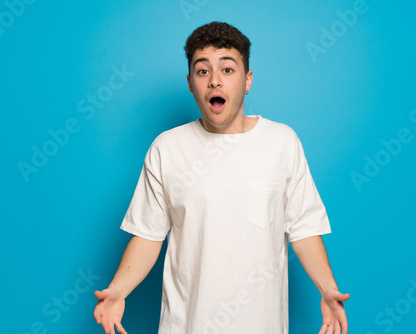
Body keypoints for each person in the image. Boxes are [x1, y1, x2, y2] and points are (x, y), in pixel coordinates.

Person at [93, 21, 349, 334]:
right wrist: (118, 290)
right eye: (203, 71)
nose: (215, 81)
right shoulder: (167, 148)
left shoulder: (282, 142)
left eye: (228, 70)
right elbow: (148, 235)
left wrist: (327, 288)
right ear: (190, 82)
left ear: (248, 80)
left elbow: (305, 230)